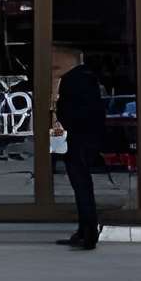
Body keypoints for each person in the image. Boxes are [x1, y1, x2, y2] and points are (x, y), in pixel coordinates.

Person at [49, 44, 106, 251]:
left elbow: (71, 112)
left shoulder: (74, 80)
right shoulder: (87, 77)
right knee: (83, 186)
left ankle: (88, 232)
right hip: (85, 140)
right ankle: (85, 231)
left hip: (78, 141)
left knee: (82, 187)